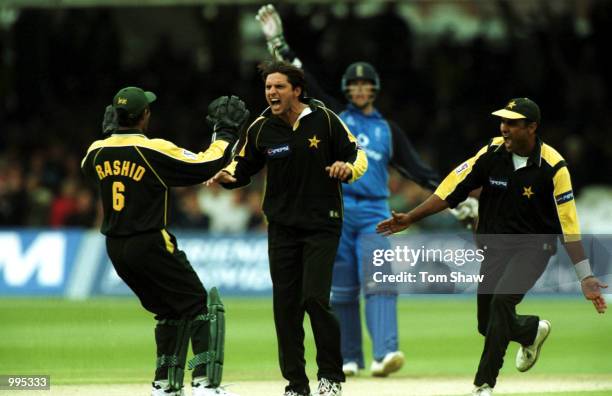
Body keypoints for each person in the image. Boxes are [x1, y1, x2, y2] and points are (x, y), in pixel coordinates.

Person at [255, 4, 478, 378]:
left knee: (379, 284)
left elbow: (418, 170)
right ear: (346, 90)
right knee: (339, 291)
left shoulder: (387, 130)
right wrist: (278, 42)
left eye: (365, 85)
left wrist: (455, 204)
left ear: (373, 89)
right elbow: (301, 80)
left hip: (376, 215)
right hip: (337, 211)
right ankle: (349, 357)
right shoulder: (334, 117)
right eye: (353, 85)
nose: (359, 90)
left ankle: (385, 353)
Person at [376, 97, 608, 396]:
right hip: (495, 246)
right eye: (503, 122)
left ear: (532, 127)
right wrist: (410, 216)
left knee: (501, 303)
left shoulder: (554, 167)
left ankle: (483, 384)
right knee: (487, 324)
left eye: (512, 123)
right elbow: (451, 188)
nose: (504, 128)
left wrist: (585, 276)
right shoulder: (492, 151)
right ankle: (531, 330)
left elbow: (569, 224)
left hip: (534, 248)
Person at [206, 60, 368, 396]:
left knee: (315, 300)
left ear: (296, 89)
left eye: (278, 86)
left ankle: (331, 377)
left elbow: (358, 156)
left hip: (323, 224)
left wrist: (347, 169)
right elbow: (242, 167)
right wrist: (228, 177)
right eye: (268, 87)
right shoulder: (261, 127)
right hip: (282, 228)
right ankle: (296, 384)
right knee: (286, 307)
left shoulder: (324, 119)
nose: (271, 93)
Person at [81, 87, 250, 396]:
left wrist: (111, 136)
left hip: (115, 248)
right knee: (200, 305)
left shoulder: (96, 150)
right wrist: (225, 131)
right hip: (150, 241)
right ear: (145, 116)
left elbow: (89, 167)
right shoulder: (153, 149)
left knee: (169, 311)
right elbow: (206, 165)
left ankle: (164, 384)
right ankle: (204, 383)